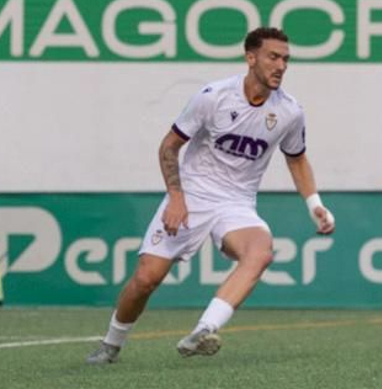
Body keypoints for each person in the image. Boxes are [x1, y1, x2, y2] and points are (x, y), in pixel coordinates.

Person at [85, 26, 334, 365]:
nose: (281, 66)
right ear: (251, 58)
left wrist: (315, 204)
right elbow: (169, 147)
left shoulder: (290, 111)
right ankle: (111, 345)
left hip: (236, 203)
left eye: (286, 59)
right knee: (146, 278)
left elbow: (297, 159)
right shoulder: (213, 96)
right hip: (192, 194)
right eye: (273, 57)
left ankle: (204, 330)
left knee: (260, 253)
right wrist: (176, 197)